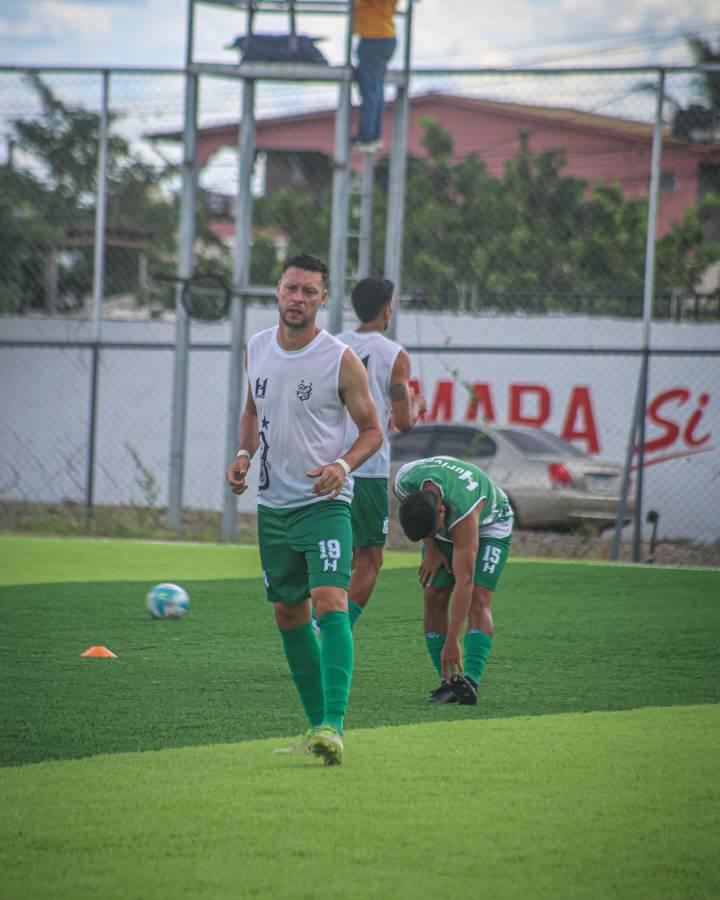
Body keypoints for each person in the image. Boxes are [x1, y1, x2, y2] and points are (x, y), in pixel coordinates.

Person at [226, 252, 383, 766]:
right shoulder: (256, 347)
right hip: (273, 506)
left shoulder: (340, 359)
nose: (298, 298)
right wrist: (244, 454)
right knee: (287, 611)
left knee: (330, 601)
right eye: (291, 288)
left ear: (323, 299)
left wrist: (343, 464)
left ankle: (334, 724)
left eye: (309, 291)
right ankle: (317, 727)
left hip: (324, 504)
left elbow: (373, 430)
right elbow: (252, 409)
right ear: (278, 290)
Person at [337, 277, 425, 629]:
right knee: (370, 559)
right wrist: (416, 405)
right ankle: (332, 629)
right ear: (388, 309)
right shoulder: (394, 355)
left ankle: (316, 622)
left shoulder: (331, 345)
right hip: (367, 467)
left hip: (328, 462)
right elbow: (403, 421)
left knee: (335, 555)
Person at [393, 455, 514, 705]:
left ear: (441, 510)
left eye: (435, 529)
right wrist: (432, 546)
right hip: (447, 516)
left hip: (491, 525)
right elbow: (414, 507)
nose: (438, 532)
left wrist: (452, 642)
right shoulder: (405, 480)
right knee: (433, 595)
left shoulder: (462, 511)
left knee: (479, 597)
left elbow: (464, 581)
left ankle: (470, 680)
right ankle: (450, 684)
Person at [352, 0, 398, 151]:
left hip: (373, 38)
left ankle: (367, 136)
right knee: (376, 88)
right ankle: (373, 134)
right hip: (386, 37)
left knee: (370, 90)